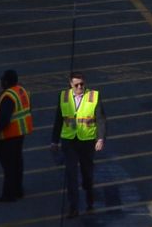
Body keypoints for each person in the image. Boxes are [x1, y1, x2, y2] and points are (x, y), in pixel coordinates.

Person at [54, 71, 105, 216]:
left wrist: (100, 138)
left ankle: (89, 199)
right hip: (69, 141)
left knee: (87, 174)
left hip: (87, 142)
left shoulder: (93, 96)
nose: (80, 87)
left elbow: (101, 119)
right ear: (70, 84)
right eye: (76, 85)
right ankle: (73, 207)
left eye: (82, 84)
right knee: (71, 174)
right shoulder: (63, 96)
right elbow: (58, 120)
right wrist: (54, 141)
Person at [0, 69, 32, 203]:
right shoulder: (21, 91)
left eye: (2, 79)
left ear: (6, 81)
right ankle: (18, 190)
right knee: (17, 163)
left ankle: (8, 194)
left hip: (9, 136)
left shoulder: (8, 96)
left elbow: (4, 119)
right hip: (19, 133)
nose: (1, 81)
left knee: (8, 166)